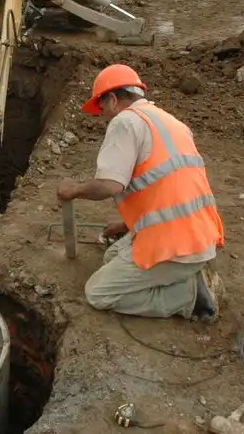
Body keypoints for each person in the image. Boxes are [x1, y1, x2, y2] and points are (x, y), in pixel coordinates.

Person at [56, 64, 225, 321]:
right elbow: (170, 186)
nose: (103, 117)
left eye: (102, 109)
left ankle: (190, 294)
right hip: (198, 236)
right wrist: (129, 223)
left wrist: (73, 190)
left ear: (112, 99)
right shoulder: (170, 122)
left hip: (178, 247)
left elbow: (110, 185)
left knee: (98, 292)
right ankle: (187, 274)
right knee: (112, 255)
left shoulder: (125, 122)